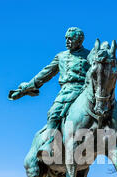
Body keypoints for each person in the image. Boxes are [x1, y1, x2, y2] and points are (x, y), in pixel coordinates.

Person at [9, 27, 91, 156]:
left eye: (70, 38)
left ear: (79, 40)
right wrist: (25, 89)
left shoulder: (90, 55)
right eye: (66, 38)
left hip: (86, 90)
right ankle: (50, 143)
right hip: (67, 91)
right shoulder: (61, 56)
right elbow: (45, 73)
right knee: (53, 112)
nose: (67, 41)